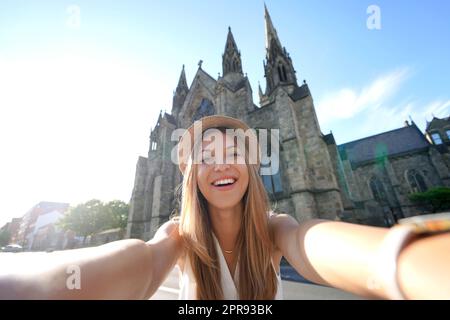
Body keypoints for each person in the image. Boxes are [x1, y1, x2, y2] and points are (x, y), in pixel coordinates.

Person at [0, 115, 449, 300]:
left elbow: (317, 244)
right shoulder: (179, 236)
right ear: (192, 175)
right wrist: (25, 286)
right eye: (205, 157)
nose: (221, 165)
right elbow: (137, 262)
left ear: (252, 168)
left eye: (233, 153)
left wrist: (408, 263)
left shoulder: (276, 227)